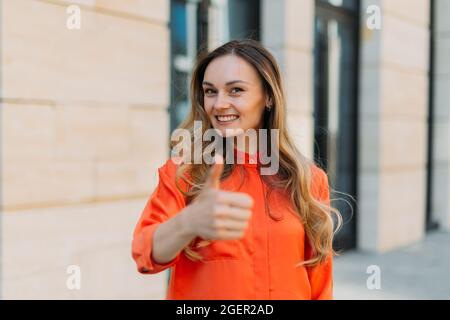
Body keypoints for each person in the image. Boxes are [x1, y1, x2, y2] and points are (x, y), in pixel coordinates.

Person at [132, 39, 342, 300]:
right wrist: (188, 222)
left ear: (267, 97)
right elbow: (146, 253)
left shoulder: (308, 180)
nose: (219, 104)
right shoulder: (184, 173)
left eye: (235, 90)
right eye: (210, 92)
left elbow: (320, 284)